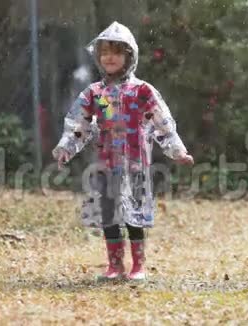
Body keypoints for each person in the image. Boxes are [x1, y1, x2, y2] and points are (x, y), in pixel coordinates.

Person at [52, 21, 194, 281]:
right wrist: (66, 148)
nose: (109, 57)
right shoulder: (94, 93)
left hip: (135, 165)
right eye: (105, 52)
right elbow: (78, 124)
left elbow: (162, 122)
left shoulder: (141, 91)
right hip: (105, 165)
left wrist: (177, 150)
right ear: (98, 57)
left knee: (134, 214)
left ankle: (138, 265)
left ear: (130, 56)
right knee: (108, 214)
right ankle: (114, 264)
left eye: (117, 52)